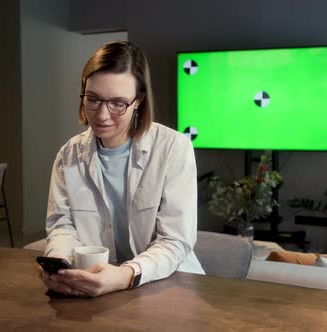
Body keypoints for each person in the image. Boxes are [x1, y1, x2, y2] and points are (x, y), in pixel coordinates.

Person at [38, 41, 204, 297]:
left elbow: (175, 240)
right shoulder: (68, 155)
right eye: (93, 99)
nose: (102, 115)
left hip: (165, 284)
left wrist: (125, 275)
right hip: (94, 286)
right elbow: (62, 225)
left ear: (138, 100)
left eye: (118, 103)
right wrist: (59, 262)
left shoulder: (174, 148)